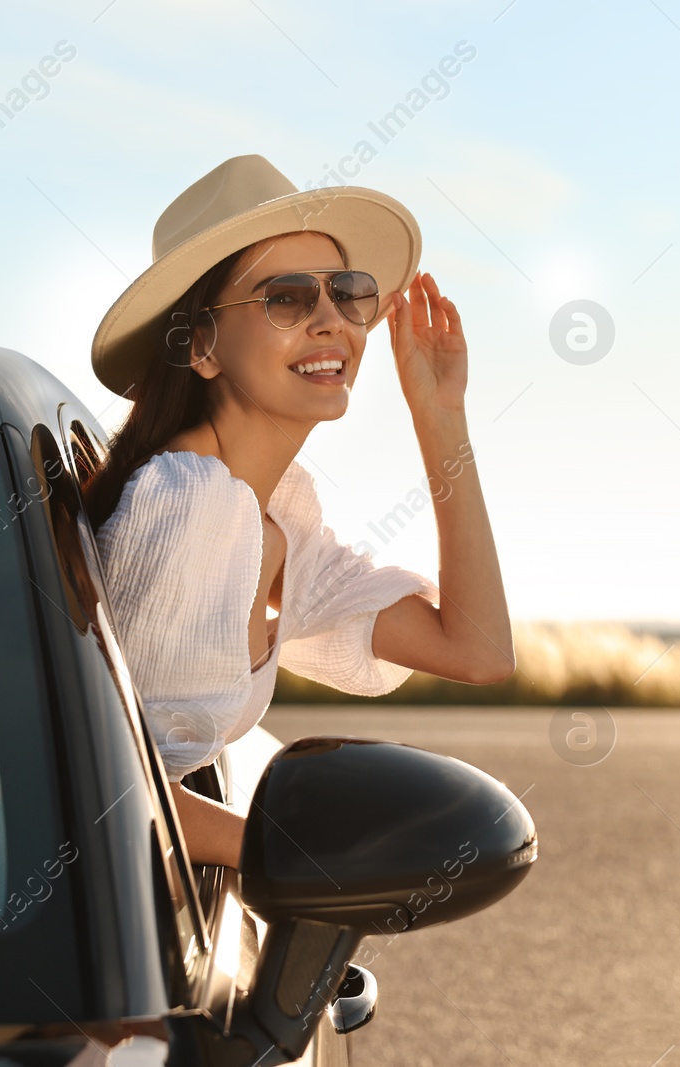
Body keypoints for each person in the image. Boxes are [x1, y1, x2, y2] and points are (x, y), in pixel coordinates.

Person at [85, 154, 513, 869]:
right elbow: (108, 783)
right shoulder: (190, 504)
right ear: (201, 346)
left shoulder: (277, 515)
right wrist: (302, 860)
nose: (330, 321)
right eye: (285, 298)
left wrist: (440, 418)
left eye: (347, 294)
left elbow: (477, 650)